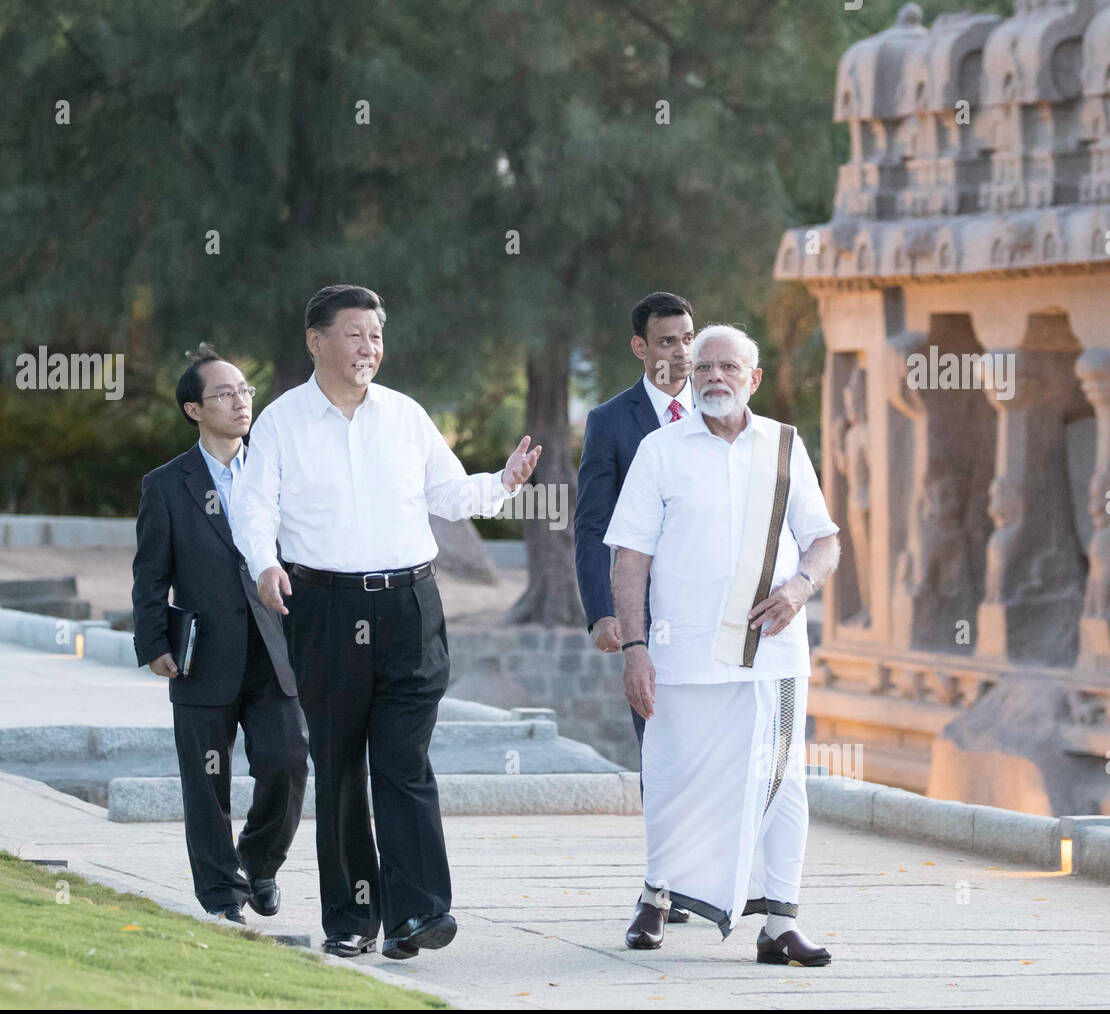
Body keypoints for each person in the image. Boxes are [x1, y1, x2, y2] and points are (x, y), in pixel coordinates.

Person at [231, 285, 541, 960]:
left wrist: (504, 483)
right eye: (354, 334)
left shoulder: (405, 416)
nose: (369, 347)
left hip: (410, 608)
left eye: (376, 335)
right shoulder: (281, 423)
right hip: (324, 608)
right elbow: (252, 509)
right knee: (340, 767)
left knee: (404, 760)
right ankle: (353, 917)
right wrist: (264, 565)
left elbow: (452, 496)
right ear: (316, 341)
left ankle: (417, 913)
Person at [604, 323, 841, 963]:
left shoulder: (786, 447)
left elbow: (824, 540)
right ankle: (658, 896)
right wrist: (634, 647)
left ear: (752, 379)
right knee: (672, 776)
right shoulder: (660, 450)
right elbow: (629, 560)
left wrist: (799, 588)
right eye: (703, 366)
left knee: (782, 782)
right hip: (680, 653)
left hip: (771, 656)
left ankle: (780, 923)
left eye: (728, 367)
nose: (714, 376)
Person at [131, 343, 309, 925]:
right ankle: (221, 894)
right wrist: (153, 643)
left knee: (286, 764)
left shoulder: (280, 471)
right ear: (193, 410)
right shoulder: (165, 485)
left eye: (245, 391)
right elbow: (150, 572)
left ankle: (257, 864)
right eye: (224, 394)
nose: (240, 402)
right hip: (202, 654)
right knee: (206, 784)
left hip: (274, 648)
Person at [574, 291, 696, 927]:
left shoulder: (722, 411)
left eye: (688, 338)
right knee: (660, 745)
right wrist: (603, 612)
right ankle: (666, 880)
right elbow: (593, 526)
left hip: (715, 611)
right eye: (668, 340)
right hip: (644, 615)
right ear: (640, 348)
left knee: (718, 742)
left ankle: (719, 877)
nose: (681, 351)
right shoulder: (611, 422)